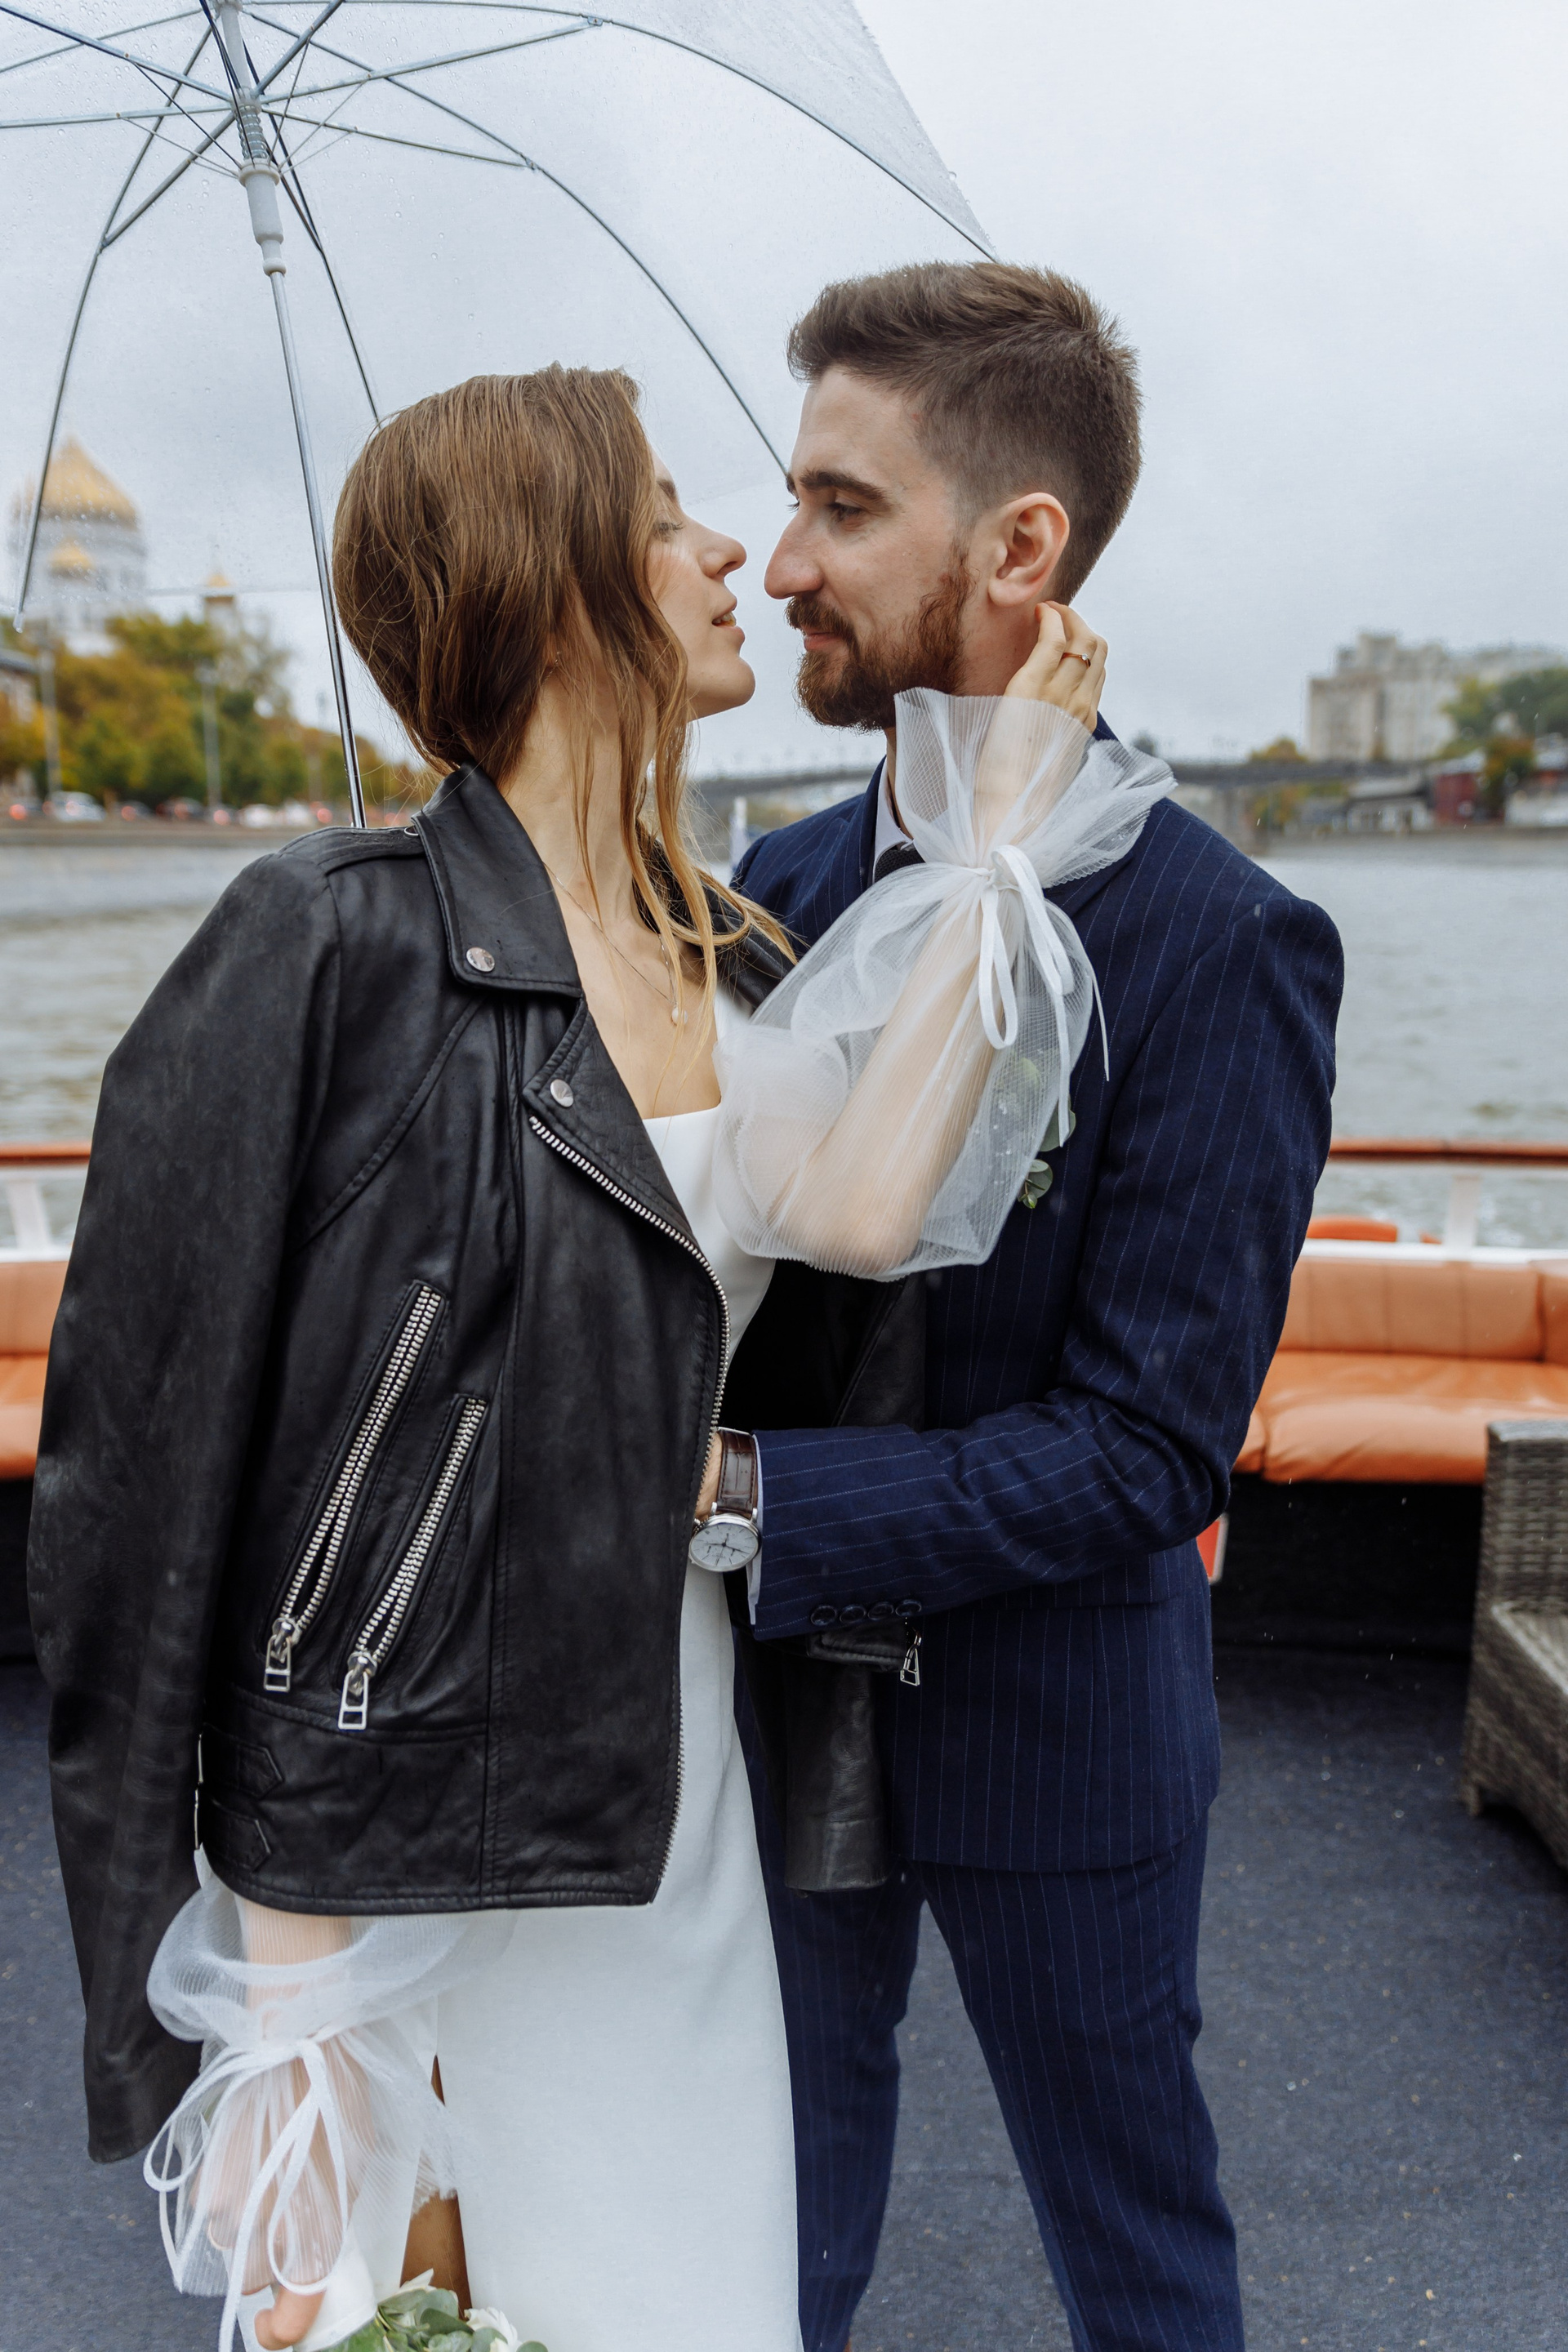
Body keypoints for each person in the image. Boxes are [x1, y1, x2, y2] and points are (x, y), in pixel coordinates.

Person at [27, 362, 1129, 2352]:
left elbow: (865, 1210)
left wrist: (998, 848)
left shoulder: (733, 956)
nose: (730, 553)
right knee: (381, 2315)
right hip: (387, 1865)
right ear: (548, 592)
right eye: (665, 514)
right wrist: (285, 1999)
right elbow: (161, 1501)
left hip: (660, 1815)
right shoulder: (321, 941)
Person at [730, 261, 1344, 2352]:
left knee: (1142, 2268)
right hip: (758, 1718)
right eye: (789, 502)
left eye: (841, 507)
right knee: (766, 2257)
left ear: (1020, 548)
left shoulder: (1225, 943)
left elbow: (1151, 1446)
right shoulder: (768, 902)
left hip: (1059, 1733)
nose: (783, 564)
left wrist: (748, 1499)